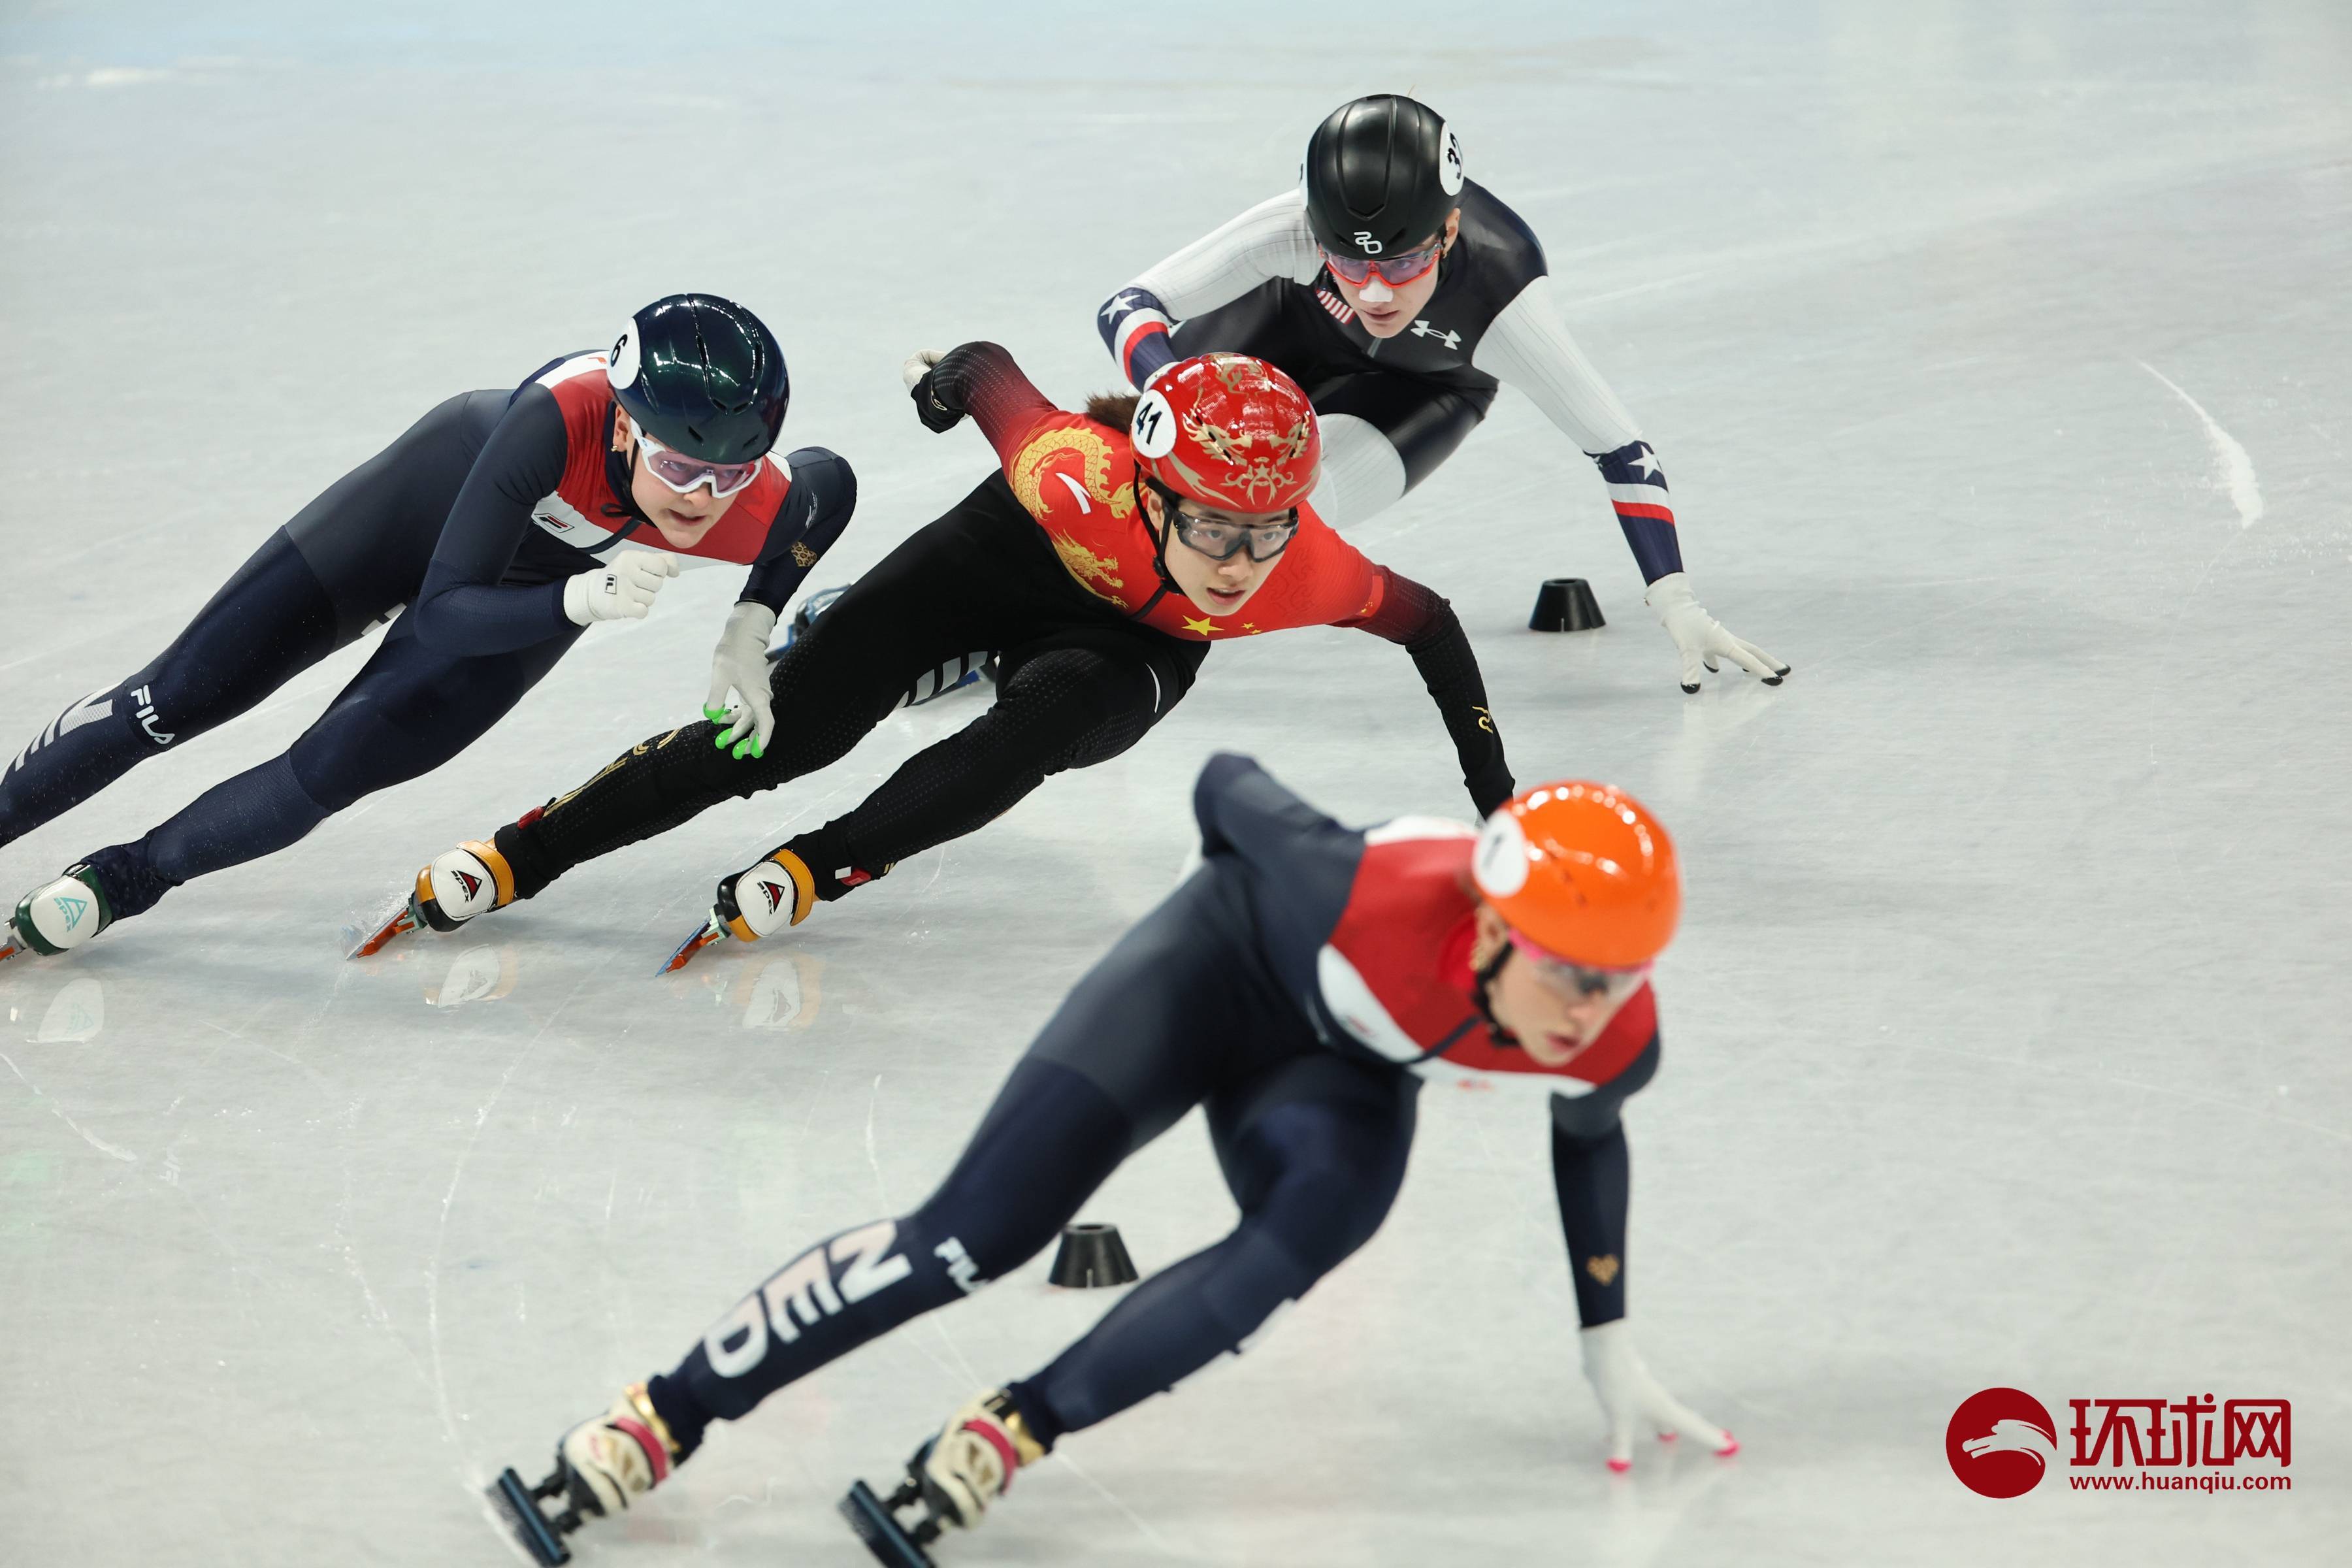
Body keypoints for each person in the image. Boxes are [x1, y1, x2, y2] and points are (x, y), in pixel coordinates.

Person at [490, 753, 1735, 1566]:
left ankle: (1008, 1432)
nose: (1594, 1008)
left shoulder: (1612, 1036)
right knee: (976, 1236)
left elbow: (1591, 1138)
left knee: (1318, 1226)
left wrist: (1605, 1336)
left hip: (1336, 1069)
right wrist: (1238, 944)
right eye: (1574, 974)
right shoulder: (1351, 889)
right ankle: (665, 1414)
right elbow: (1227, 785)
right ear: (1493, 929)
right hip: (1217, 969)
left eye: (1622, 977)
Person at [372, 344, 1516, 968]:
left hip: (1127, 645)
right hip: (1005, 558)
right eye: (1214, 527)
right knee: (782, 735)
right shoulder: (1070, 471)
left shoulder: (1313, 573)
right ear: (1150, 490)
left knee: (1047, 719)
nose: (1238, 561)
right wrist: (939, 390)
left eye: (1263, 532)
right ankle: (530, 848)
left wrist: (1496, 803)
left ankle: (830, 863)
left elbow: (1437, 628)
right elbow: (986, 374)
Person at [0, 295, 854, 963]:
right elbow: (446, 609)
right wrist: (579, 603)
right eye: (677, 467)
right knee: (174, 698)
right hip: (424, 513)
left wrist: (750, 624)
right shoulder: (557, 418)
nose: (699, 501)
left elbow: (831, 485)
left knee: (334, 765)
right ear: (625, 425)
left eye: (727, 476)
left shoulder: (749, 498)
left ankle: (124, 879)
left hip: (536, 587)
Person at [1096, 92, 1787, 695]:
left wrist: (1676, 599)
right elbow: (1129, 305)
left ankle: (1109, 633)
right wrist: (1171, 388)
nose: (1372, 291)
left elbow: (1620, 449)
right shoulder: (1297, 229)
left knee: (1283, 512)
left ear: (1449, 230)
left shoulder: (1504, 298)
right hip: (1285, 322)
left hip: (1423, 389)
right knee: (1132, 461)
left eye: (1401, 262)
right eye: (1348, 262)